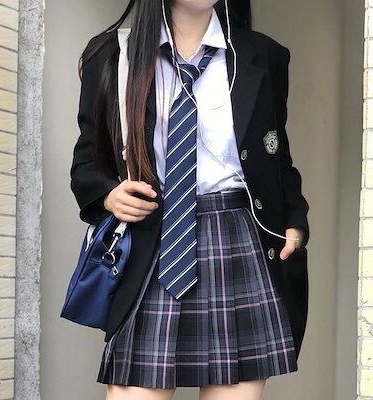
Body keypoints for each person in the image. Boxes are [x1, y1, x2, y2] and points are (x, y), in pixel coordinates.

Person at [69, 0, 310, 399]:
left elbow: (277, 157)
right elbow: (86, 163)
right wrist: (109, 195)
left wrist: (295, 222)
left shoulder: (263, 55)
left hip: (238, 242)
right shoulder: (113, 54)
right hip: (154, 238)